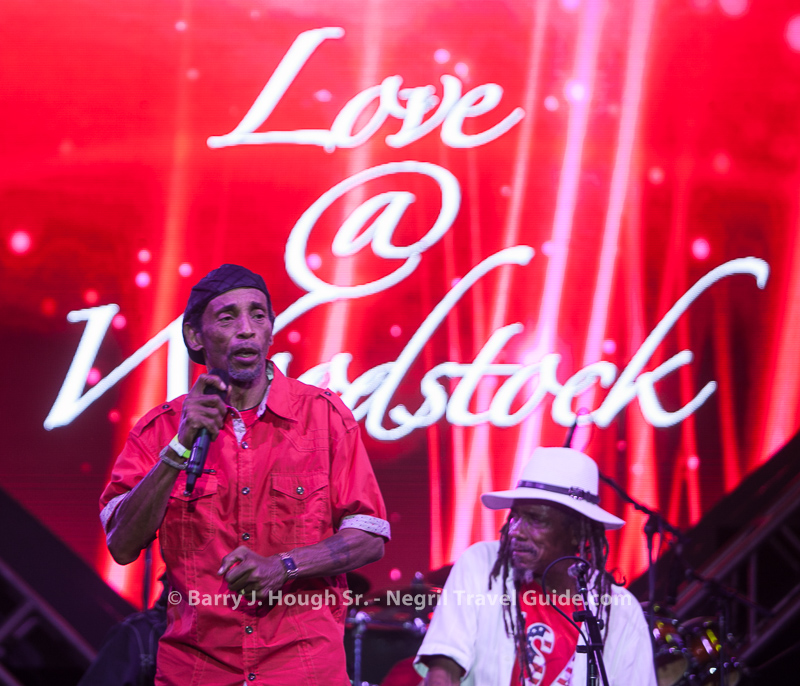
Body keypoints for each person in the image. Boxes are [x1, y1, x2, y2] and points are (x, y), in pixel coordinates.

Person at [99, 264, 390, 686]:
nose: (247, 329)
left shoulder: (325, 417)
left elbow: (369, 535)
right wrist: (180, 447)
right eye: (227, 317)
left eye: (258, 314)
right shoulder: (158, 430)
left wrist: (285, 566)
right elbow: (122, 545)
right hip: (198, 671)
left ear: (270, 330)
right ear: (195, 336)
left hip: (302, 669)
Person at [415, 447, 656, 686]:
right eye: (515, 516)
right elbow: (443, 669)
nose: (515, 531)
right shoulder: (481, 563)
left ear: (576, 533)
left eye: (535, 520)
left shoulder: (622, 612)